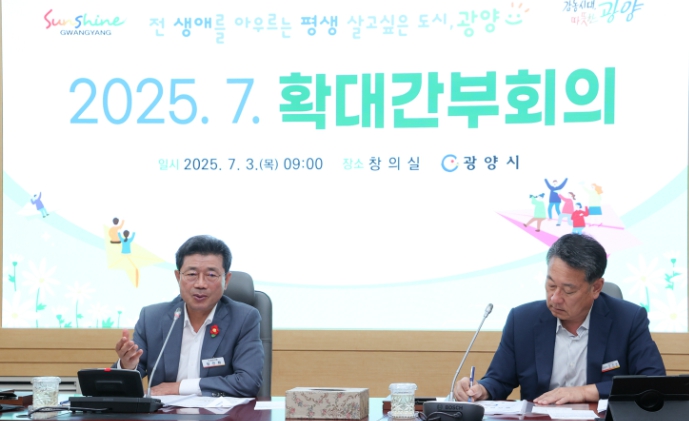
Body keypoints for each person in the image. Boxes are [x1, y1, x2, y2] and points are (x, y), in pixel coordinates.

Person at [453, 234, 664, 404]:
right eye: (551, 285)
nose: (555, 298)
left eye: (568, 290)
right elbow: (498, 379)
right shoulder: (522, 320)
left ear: (596, 287)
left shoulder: (628, 320)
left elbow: (653, 383)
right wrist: (481, 389)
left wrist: (583, 392)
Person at [114, 235, 264, 397]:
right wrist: (127, 366)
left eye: (211, 275)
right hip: (164, 411)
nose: (200, 284)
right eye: (192, 274)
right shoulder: (151, 318)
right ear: (178, 277)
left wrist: (179, 387)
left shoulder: (243, 319)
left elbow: (248, 382)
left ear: (226, 280)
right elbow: (120, 384)